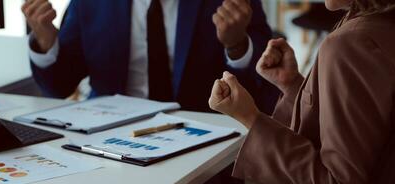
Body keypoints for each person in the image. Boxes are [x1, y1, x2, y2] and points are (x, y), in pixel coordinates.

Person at [202, 0, 395, 184]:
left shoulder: (351, 42)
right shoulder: (381, 26)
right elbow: (366, 129)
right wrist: (294, 85)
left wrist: (249, 117)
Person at [21, 0, 279, 112]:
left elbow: (265, 90)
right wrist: (45, 40)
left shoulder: (229, 2)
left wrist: (236, 45)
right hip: (109, 130)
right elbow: (58, 86)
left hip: (202, 134)